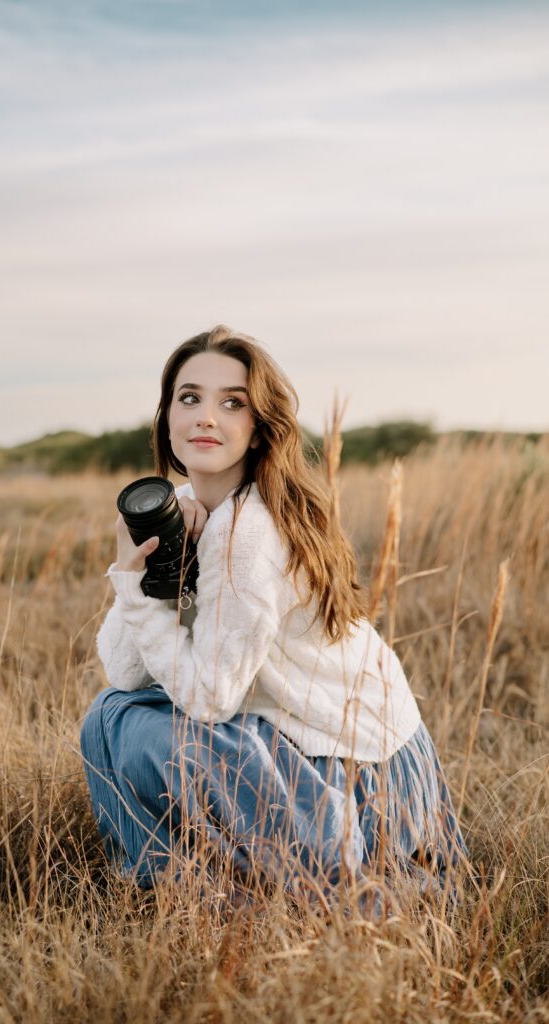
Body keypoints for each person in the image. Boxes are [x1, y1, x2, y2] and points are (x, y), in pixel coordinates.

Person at [80, 325, 468, 915]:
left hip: (358, 767)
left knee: (145, 733)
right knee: (111, 714)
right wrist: (142, 575)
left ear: (258, 426)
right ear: (166, 418)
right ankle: (186, 888)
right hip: (288, 730)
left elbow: (208, 698)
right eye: (190, 398)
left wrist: (137, 596)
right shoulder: (193, 508)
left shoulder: (251, 533)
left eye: (231, 402)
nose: (206, 416)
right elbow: (126, 672)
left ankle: (291, 890)